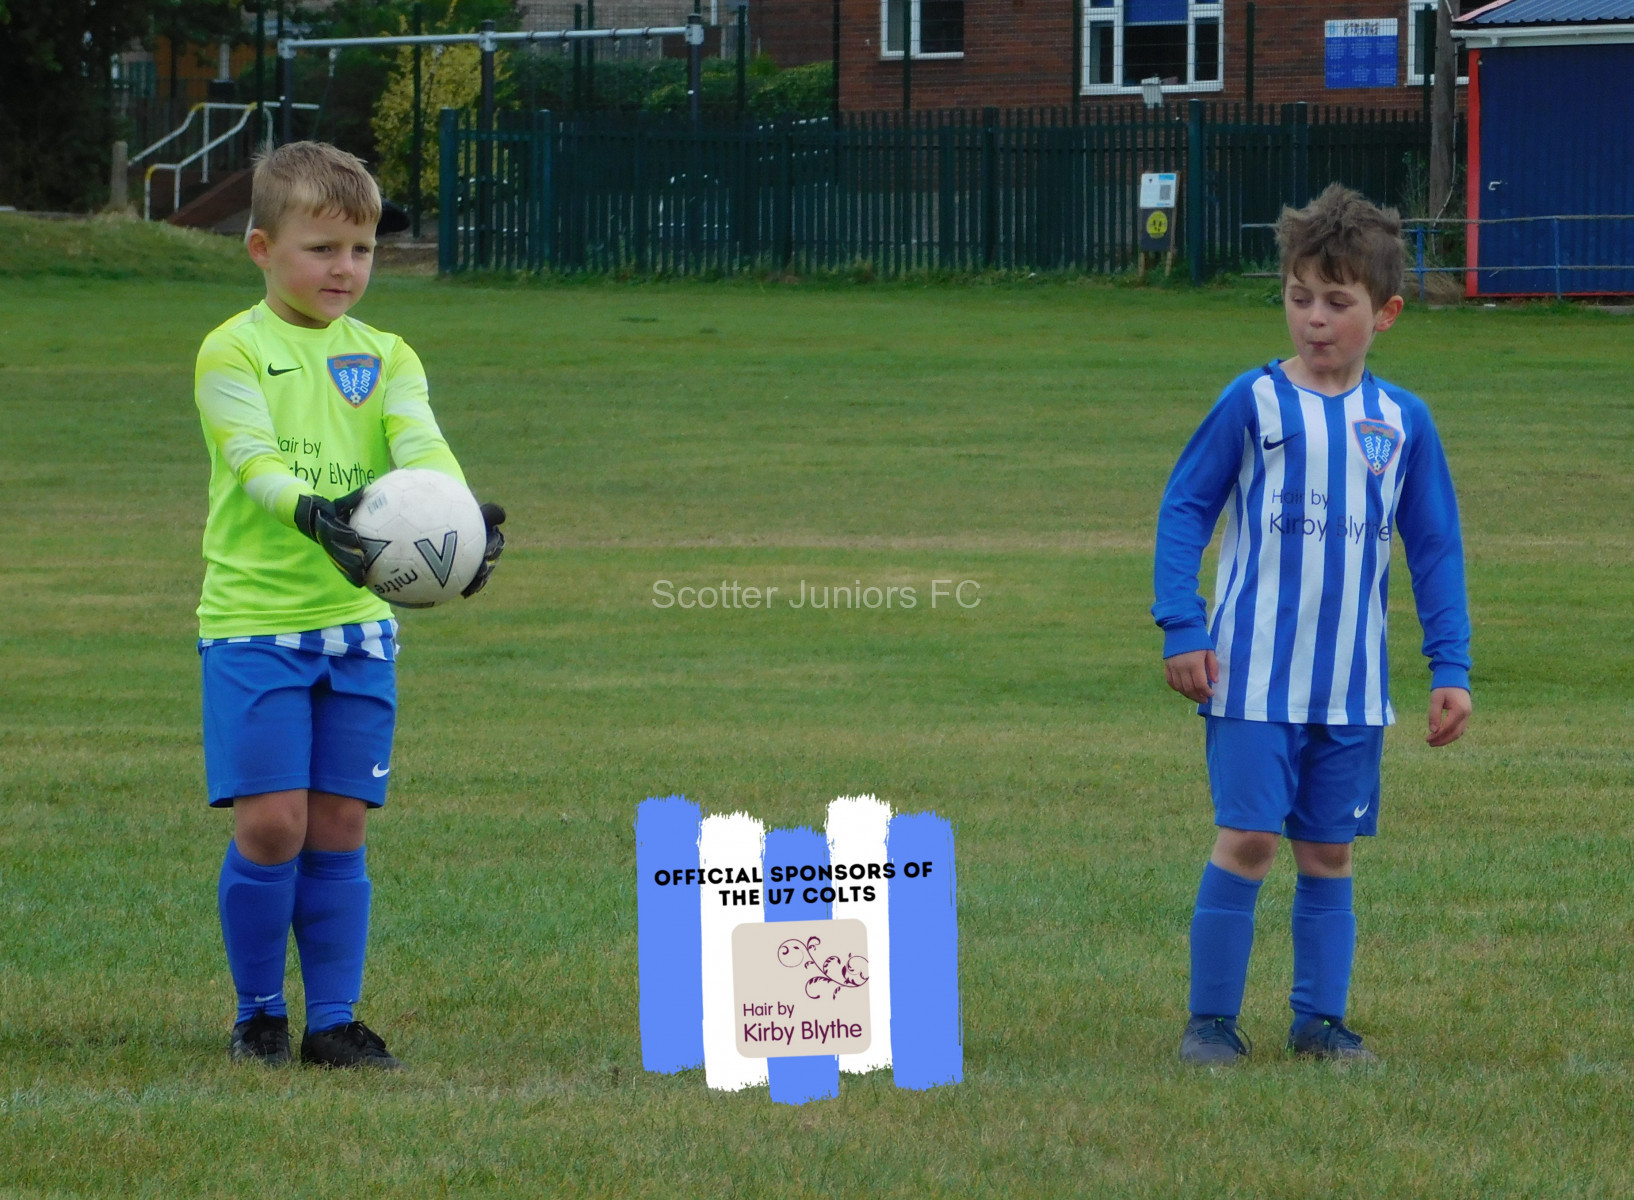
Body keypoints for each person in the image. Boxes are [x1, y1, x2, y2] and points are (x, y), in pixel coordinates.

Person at [193, 141, 505, 1069]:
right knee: (272, 824)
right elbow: (252, 461)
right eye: (321, 248)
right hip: (255, 623)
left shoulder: (387, 354)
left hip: (360, 629)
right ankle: (258, 1015)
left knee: (339, 825)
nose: (345, 269)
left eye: (361, 250)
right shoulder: (234, 348)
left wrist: (461, 522)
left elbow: (423, 446)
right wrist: (314, 515)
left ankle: (332, 1021)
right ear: (261, 248)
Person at [1151, 183, 1471, 1064]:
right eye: (1299, 298)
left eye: (1337, 302)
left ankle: (1319, 1023)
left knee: (1329, 854)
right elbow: (1185, 509)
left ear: (1386, 312)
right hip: (1251, 677)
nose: (1315, 319)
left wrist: (1451, 667)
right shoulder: (1252, 403)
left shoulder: (1403, 423)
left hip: (1351, 691)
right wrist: (1183, 623)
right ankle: (1211, 1023)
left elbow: (1435, 549)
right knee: (1250, 839)